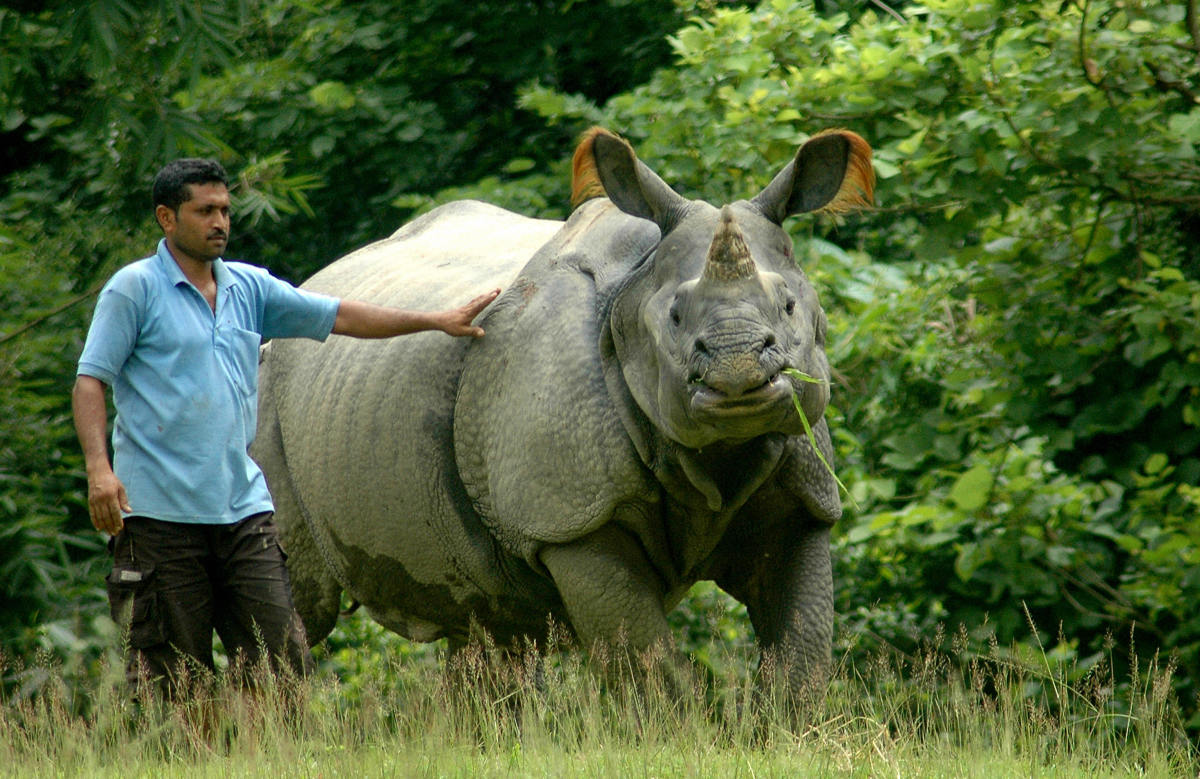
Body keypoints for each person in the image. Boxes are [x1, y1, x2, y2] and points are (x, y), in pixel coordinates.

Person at [72, 158, 499, 697]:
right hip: (157, 517)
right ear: (167, 217)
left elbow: (341, 315)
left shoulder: (248, 286)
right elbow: (91, 380)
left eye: (225, 210)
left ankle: (266, 743)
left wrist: (435, 320)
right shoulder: (133, 290)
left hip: (241, 511)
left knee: (283, 665)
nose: (220, 222)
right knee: (176, 683)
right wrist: (99, 470)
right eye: (204, 211)